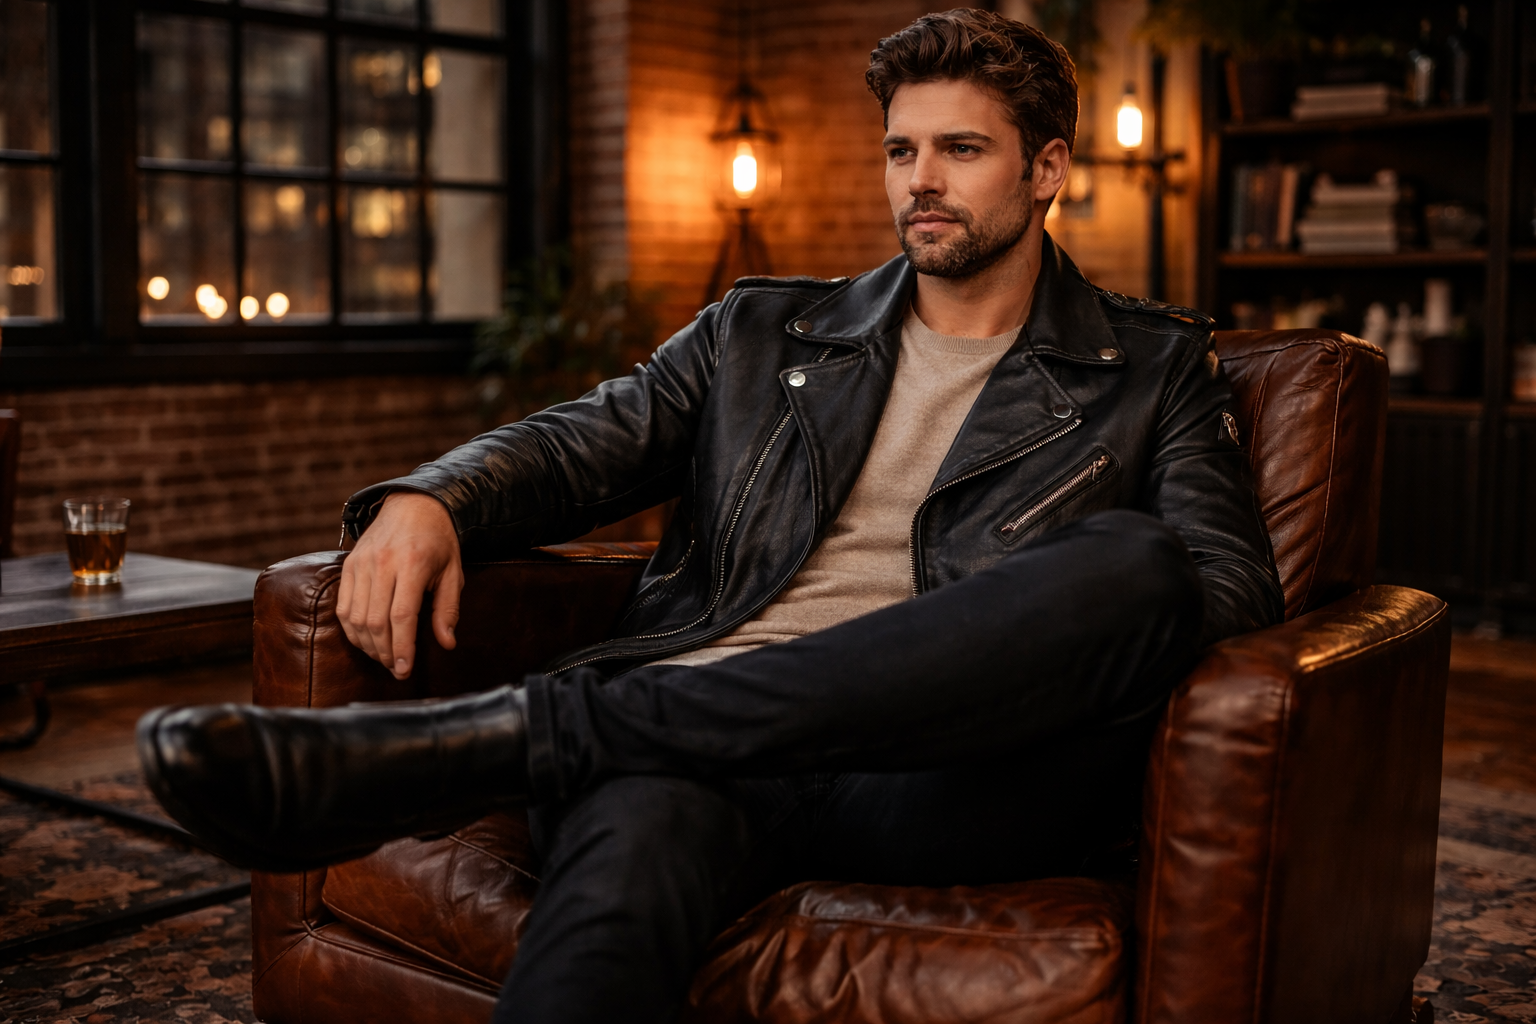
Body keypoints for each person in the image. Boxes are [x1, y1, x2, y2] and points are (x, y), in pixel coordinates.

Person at [138, 9, 1283, 1022]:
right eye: (901, 149)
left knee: (1143, 563)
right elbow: (582, 439)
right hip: (694, 756)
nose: (918, 180)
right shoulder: (757, 335)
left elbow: (1229, 588)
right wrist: (430, 493)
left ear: (1047, 171)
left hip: (941, 775)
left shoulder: (1152, 367)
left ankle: (530, 733)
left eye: (961, 150)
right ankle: (584, 732)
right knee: (611, 900)